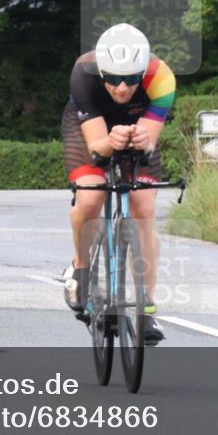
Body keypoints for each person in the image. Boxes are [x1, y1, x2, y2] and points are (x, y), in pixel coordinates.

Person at [61, 23, 176, 343]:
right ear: (101, 72)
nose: (122, 87)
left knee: (144, 209)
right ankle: (81, 268)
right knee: (90, 198)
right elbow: (97, 147)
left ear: (144, 72)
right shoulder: (83, 73)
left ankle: (147, 310)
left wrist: (142, 140)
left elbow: (149, 141)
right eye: (112, 79)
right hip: (90, 128)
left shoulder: (162, 78)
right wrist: (110, 142)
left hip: (136, 127)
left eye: (130, 79)